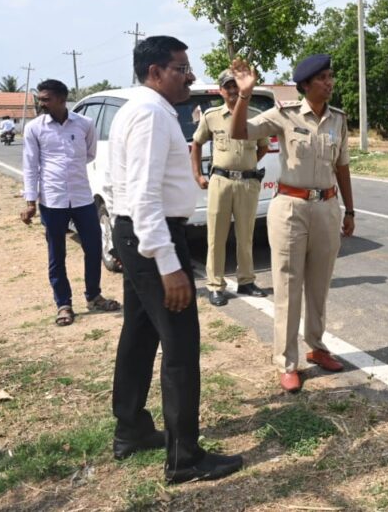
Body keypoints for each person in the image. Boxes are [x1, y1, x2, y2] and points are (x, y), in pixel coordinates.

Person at [106, 36, 243, 484]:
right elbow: (144, 195)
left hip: (139, 234)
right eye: (181, 68)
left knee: (140, 334)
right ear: (154, 73)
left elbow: (122, 187)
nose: (190, 76)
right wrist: (167, 263)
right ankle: (185, 458)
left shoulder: (142, 109)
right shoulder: (148, 113)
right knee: (181, 347)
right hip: (155, 234)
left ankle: (130, 429)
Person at [229, 53, 354, 394]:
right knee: (288, 285)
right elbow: (239, 131)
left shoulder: (338, 120)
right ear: (305, 85)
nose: (330, 82)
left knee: (319, 285)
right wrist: (244, 94)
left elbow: (342, 167)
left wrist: (350, 210)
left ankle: (317, 346)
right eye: (323, 78)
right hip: (290, 208)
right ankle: (287, 361)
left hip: (326, 207)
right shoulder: (283, 116)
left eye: (330, 76)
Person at [20, 79, 119, 326]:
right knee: (57, 254)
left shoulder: (84, 124)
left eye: (46, 99)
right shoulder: (34, 128)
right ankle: (63, 303)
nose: (41, 103)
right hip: (52, 200)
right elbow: (30, 165)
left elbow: (90, 154)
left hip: (82, 198)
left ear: (62, 100)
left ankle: (94, 295)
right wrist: (31, 201)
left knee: (94, 248)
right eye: (40, 98)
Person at [190, 69, 270, 307]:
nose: (233, 91)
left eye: (236, 86)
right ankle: (215, 286)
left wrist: (248, 164)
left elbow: (263, 146)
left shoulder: (254, 116)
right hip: (220, 183)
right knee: (216, 236)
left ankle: (246, 280)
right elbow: (196, 143)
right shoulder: (211, 116)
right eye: (228, 87)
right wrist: (197, 175)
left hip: (247, 183)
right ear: (221, 91)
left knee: (245, 235)